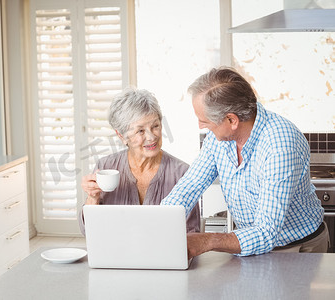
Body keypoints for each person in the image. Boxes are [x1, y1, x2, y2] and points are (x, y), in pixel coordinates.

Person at [162, 67, 329, 258]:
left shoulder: (280, 144)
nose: (201, 126)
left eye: (205, 121)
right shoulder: (218, 140)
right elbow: (190, 185)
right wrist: (160, 223)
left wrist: (207, 240)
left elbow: (266, 232)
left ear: (231, 120)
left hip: (297, 248)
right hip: (252, 245)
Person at [78, 87, 200, 235]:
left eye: (155, 126)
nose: (151, 137)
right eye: (140, 131)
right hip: (116, 255)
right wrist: (93, 197)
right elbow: (89, 231)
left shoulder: (181, 173)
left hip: (164, 257)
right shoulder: (106, 167)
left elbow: (192, 232)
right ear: (122, 136)